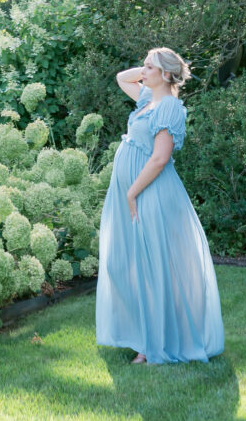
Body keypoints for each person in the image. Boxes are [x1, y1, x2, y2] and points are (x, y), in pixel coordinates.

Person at [95, 47, 224, 364]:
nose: (142, 70)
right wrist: (151, 66)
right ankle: (144, 335)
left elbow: (160, 158)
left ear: (166, 74)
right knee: (126, 265)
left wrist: (132, 192)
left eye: (149, 67)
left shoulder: (168, 107)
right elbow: (121, 78)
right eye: (144, 66)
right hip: (134, 193)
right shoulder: (146, 100)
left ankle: (153, 346)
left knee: (152, 269)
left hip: (150, 193)